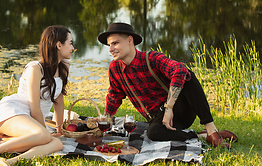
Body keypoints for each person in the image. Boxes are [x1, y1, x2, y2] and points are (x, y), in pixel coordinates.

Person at [97, 22, 237, 148]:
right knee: (153, 133)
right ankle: (201, 136)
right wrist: (106, 117)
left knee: (186, 74)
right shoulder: (114, 68)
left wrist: (169, 108)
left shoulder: (151, 59)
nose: (111, 49)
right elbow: (115, 94)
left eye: (115, 43)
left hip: (179, 109)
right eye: (109, 45)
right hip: (156, 118)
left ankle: (212, 131)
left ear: (129, 40)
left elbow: (179, 70)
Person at [0, 25, 74, 166]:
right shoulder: (35, 69)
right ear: (59, 45)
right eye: (70, 43)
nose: (73, 47)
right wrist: (45, 133)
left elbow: (59, 102)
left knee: (58, 144)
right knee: (45, 136)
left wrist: (60, 129)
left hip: (30, 121)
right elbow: (35, 109)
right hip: (12, 112)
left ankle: (11, 162)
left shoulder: (62, 69)